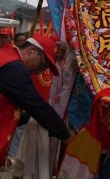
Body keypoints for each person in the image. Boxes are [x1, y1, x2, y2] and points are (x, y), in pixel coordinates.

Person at [0, 34, 71, 167]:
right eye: (43, 64)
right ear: (32, 50)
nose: (40, 71)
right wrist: (66, 135)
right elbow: (37, 106)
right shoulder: (14, 67)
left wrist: (29, 118)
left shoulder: (6, 55)